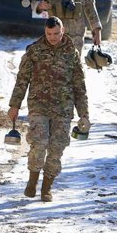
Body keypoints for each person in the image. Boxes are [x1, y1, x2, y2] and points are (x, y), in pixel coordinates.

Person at [8, 16, 91, 202]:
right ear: (44, 32)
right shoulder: (35, 51)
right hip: (39, 106)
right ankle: (32, 181)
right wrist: (14, 105)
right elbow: (22, 80)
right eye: (48, 34)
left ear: (62, 32)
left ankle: (47, 187)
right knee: (39, 143)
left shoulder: (72, 53)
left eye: (55, 34)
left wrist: (84, 114)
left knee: (56, 148)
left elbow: (79, 87)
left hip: (63, 109)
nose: (52, 37)